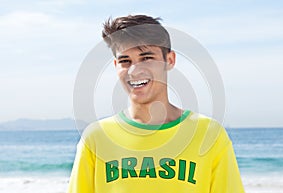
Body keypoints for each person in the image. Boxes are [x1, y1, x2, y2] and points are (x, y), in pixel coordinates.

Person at [67, 14, 245, 193]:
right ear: (116, 65)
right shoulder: (96, 138)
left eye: (146, 58)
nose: (135, 71)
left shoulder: (209, 135)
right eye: (125, 61)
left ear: (170, 60)